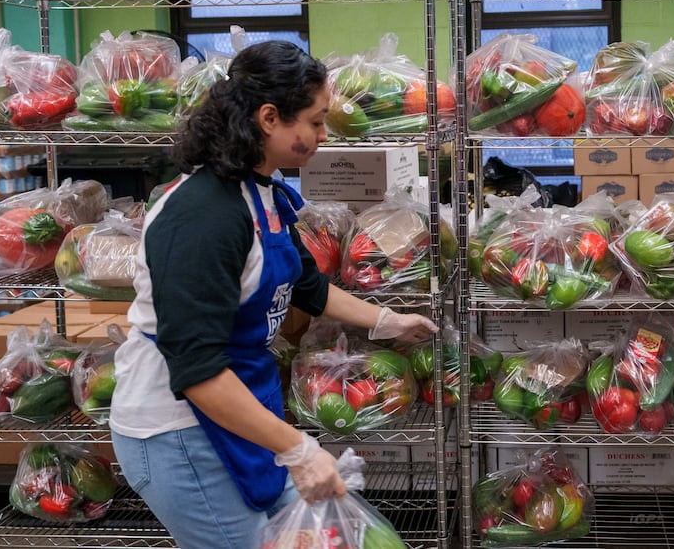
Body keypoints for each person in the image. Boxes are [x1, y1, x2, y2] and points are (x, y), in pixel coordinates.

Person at [109, 40, 437, 549]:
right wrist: (300, 451)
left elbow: (305, 285)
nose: (325, 134)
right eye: (316, 120)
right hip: (179, 429)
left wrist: (388, 322)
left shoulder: (262, 191)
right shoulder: (203, 217)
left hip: (239, 410)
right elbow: (195, 368)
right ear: (269, 119)